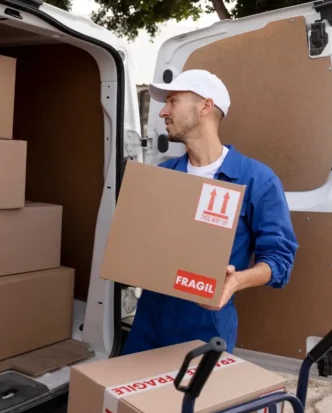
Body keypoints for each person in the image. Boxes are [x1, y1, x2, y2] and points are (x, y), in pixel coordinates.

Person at [121, 69, 299, 355]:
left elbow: (279, 260)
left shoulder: (256, 179)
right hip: (149, 318)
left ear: (205, 106)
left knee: (193, 400)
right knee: (133, 398)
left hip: (206, 323)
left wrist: (236, 281)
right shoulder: (162, 175)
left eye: (173, 101)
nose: (163, 112)